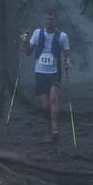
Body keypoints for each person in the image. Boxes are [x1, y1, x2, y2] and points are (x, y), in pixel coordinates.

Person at [22, 8, 71, 142]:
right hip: (40, 72)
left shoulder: (62, 36)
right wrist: (25, 42)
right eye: (47, 19)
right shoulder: (37, 33)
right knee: (44, 106)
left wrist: (67, 62)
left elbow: (67, 54)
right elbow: (28, 53)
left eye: (52, 19)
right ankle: (49, 130)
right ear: (43, 20)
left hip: (55, 72)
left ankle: (55, 130)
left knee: (53, 99)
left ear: (56, 20)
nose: (49, 22)